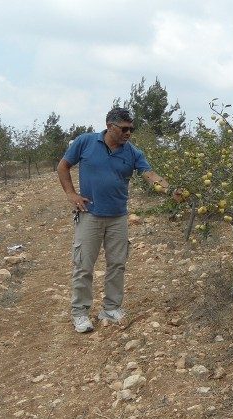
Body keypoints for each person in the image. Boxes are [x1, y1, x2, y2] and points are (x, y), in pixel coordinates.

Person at [57, 107, 180, 333]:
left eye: (131, 129)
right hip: (89, 215)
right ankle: (80, 313)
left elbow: (149, 175)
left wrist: (170, 189)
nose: (129, 133)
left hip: (118, 218)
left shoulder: (132, 152)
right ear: (110, 126)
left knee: (117, 264)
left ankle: (111, 308)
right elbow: (63, 166)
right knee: (84, 265)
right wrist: (71, 194)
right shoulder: (85, 142)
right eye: (124, 129)